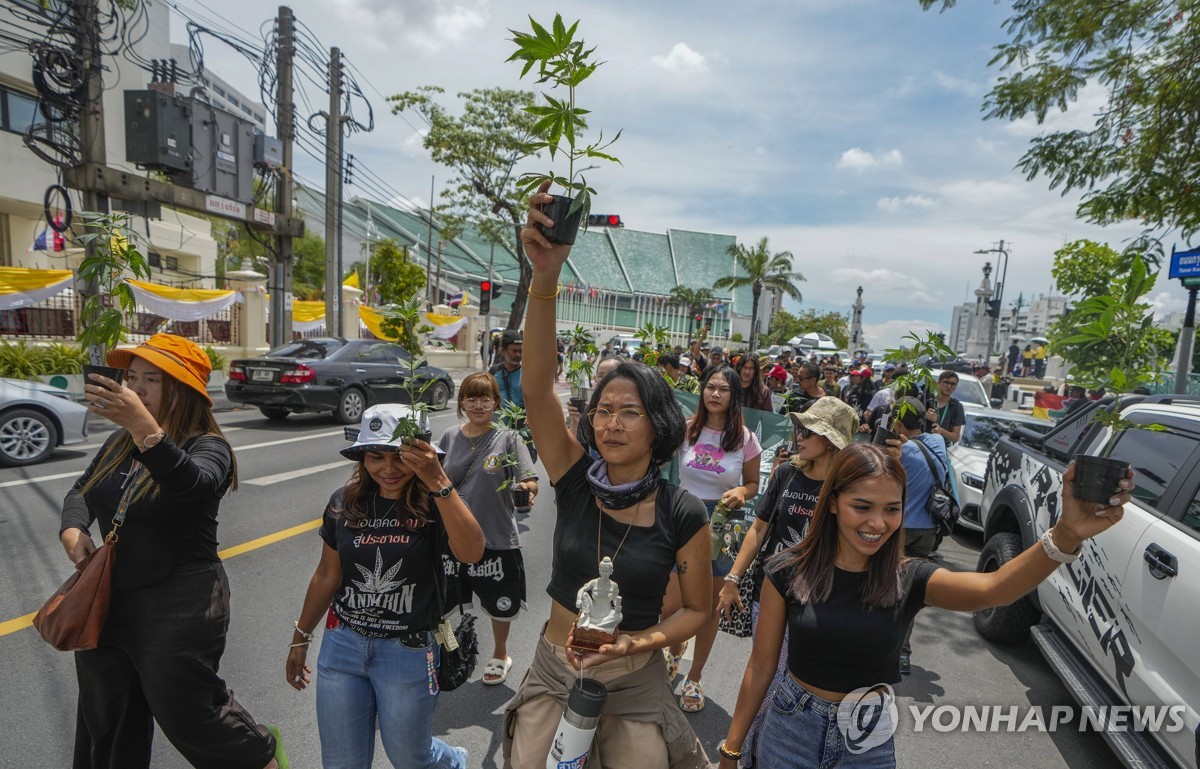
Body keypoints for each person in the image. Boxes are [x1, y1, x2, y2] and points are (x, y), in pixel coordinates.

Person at [715, 443, 1132, 769]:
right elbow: (760, 667)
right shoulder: (785, 570)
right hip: (791, 725)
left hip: (868, 732)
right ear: (833, 503)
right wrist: (732, 748)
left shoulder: (909, 577)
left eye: (892, 509)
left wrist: (1066, 534)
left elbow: (994, 589)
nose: (877, 523)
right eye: (862, 506)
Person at [506, 183, 712, 769]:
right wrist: (544, 277)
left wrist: (637, 641)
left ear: (659, 427)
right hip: (556, 665)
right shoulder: (573, 476)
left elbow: (697, 610)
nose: (611, 424)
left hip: (635, 677)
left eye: (630, 412)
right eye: (602, 410)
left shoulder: (683, 512)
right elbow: (539, 389)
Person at [60, 333, 284, 769]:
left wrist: (144, 428)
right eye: (132, 377)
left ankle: (263, 758)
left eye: (152, 380)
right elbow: (80, 491)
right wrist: (72, 531)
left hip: (180, 602)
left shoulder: (208, 446)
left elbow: (191, 486)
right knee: (106, 718)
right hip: (110, 599)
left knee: (189, 715)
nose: (136, 389)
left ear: (181, 390)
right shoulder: (118, 442)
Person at [285, 404, 485, 769]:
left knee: (411, 759)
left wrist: (439, 482)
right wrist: (301, 637)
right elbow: (327, 575)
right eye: (376, 457)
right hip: (342, 647)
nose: (388, 469)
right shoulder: (344, 502)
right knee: (342, 764)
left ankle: (452, 762)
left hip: (408, 653)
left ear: (421, 455)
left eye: (400, 457)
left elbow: (471, 552)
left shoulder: (437, 503)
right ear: (362, 457)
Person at [716, 397, 858, 766]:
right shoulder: (786, 474)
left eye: (807, 430)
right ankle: (748, 750)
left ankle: (772, 748)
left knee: (792, 682)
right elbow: (759, 528)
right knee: (765, 673)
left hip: (819, 602)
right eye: (799, 428)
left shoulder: (847, 487)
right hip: (771, 593)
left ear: (829, 440)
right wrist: (733, 577)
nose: (798, 436)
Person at [662, 365, 762, 713]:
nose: (715, 394)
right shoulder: (687, 429)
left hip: (723, 526)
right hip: (683, 519)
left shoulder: (746, 439)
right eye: (710, 387)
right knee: (671, 603)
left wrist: (741, 491)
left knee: (708, 608)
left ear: (735, 396)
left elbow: (754, 485)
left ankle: (695, 677)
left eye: (723, 389)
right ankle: (674, 654)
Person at [437, 373, 538, 687]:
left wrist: (526, 489)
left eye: (485, 398)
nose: (478, 405)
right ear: (462, 402)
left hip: (495, 538)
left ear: (496, 402)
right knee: (446, 601)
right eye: (471, 398)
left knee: (499, 603)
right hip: (451, 538)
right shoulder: (449, 438)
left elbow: (529, 478)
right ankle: (447, 653)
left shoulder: (508, 438)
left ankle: (500, 654)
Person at [890, 396, 949, 673]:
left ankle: (886, 647)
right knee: (909, 590)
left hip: (901, 530)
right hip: (928, 530)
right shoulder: (938, 443)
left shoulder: (902, 453)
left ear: (899, 421)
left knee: (889, 586)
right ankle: (903, 653)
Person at [925, 370, 965, 444]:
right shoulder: (926, 400)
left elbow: (955, 438)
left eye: (953, 384)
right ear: (938, 383)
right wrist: (925, 416)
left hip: (941, 447)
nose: (949, 386)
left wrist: (941, 431)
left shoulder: (957, 407)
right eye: (946, 382)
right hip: (922, 444)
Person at [491, 330, 525, 410]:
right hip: (497, 421)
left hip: (519, 421)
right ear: (503, 350)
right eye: (514, 351)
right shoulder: (494, 371)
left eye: (520, 351)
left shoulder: (527, 374)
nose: (518, 355)